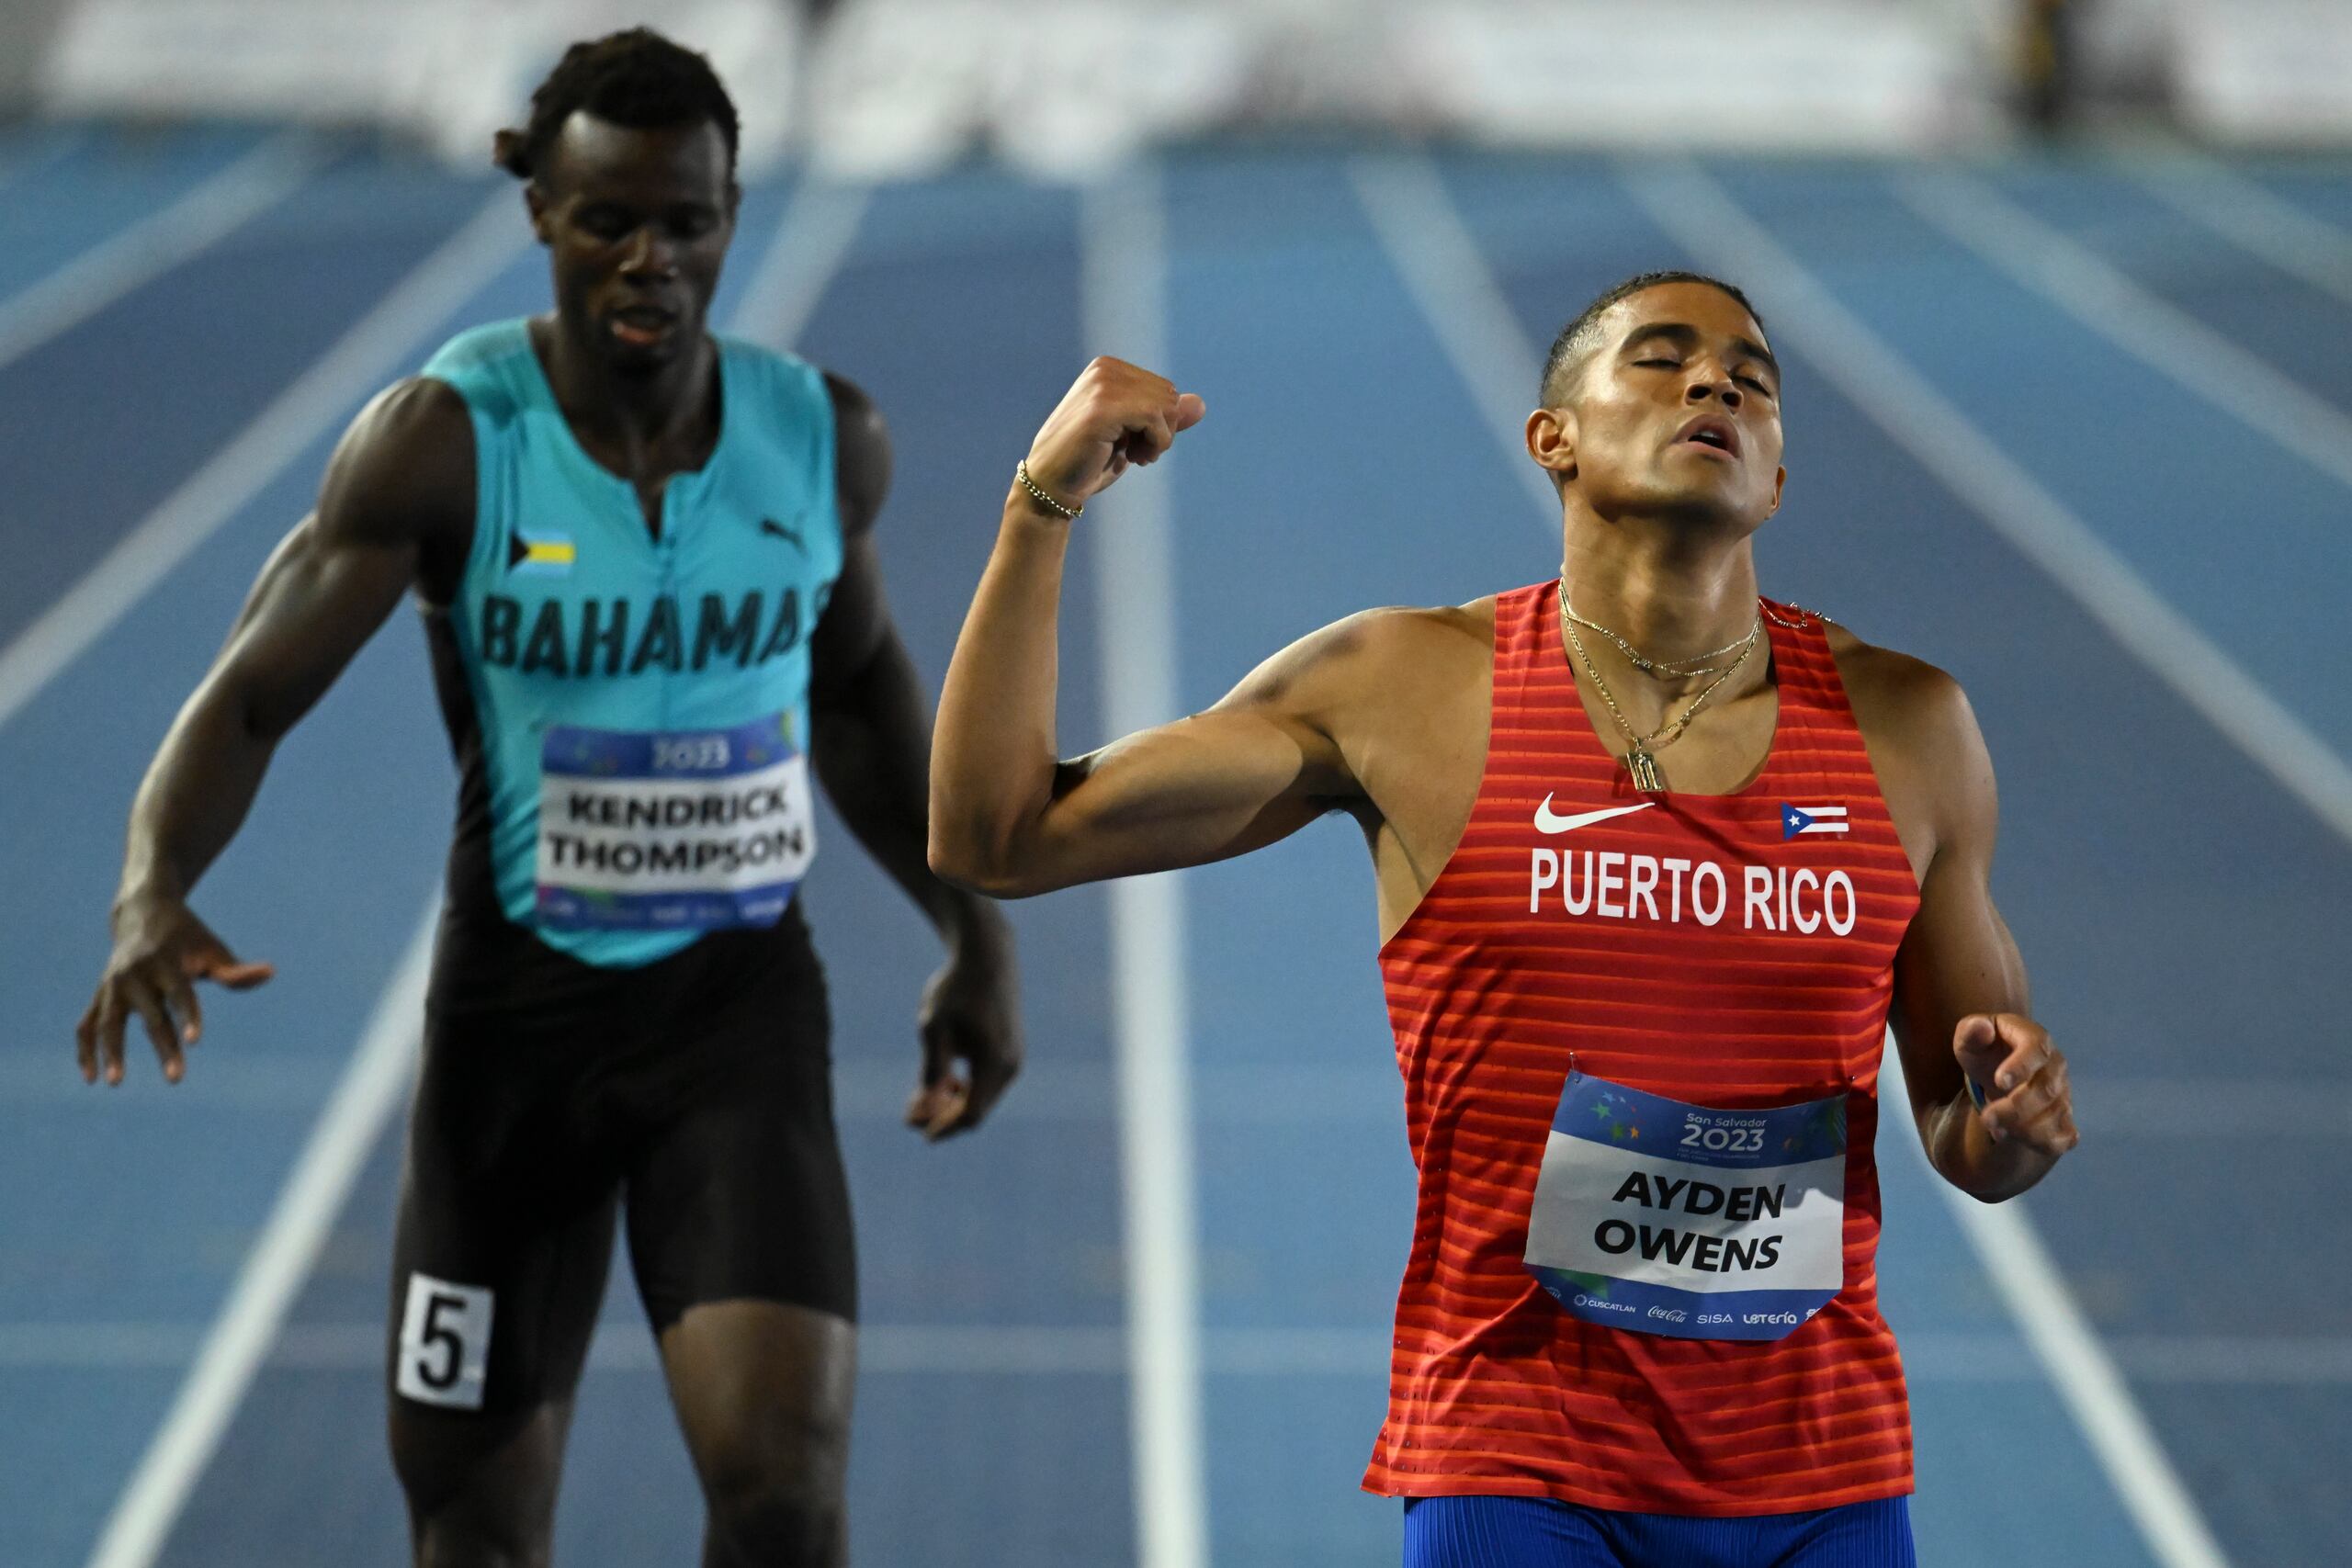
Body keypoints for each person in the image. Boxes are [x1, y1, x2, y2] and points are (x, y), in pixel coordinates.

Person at [929, 272, 2078, 1567]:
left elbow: (1967, 1131)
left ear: (1776, 482)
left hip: (1821, 1477)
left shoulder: (1909, 729)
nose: (1717, 385)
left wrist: (2012, 1122)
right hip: (1518, 1460)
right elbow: (995, 835)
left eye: (1752, 379)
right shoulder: (1407, 689)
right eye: (1662, 360)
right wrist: (1043, 502)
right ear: (1555, 438)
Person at [75, 29, 1020, 1568]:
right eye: (608, 221)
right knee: (476, 1533)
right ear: (542, 217)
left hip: (735, 1023)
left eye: (688, 223)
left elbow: (857, 699)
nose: (650, 258)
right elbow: (249, 691)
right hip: (515, 1046)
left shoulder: (820, 441)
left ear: (729, 217)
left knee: (787, 1498)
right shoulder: (446, 445)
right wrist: (149, 885)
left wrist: (973, 934)